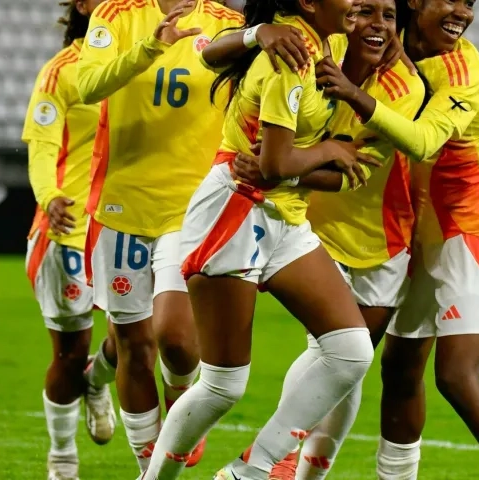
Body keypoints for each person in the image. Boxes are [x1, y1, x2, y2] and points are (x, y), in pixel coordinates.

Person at [138, 1, 380, 479]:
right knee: (223, 385)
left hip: (282, 214)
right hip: (235, 209)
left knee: (351, 349)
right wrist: (330, 149)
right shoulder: (290, 55)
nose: (356, 2)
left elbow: (212, 57)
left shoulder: (321, 39)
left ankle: (249, 471)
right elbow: (274, 165)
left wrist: (254, 34)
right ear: (309, 3)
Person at [314, 0, 479, 478]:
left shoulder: (462, 65)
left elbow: (425, 142)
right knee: (394, 366)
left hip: (469, 230)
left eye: (470, 4)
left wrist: (355, 94)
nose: (462, 13)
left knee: (455, 375)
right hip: (411, 230)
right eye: (451, 0)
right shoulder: (374, 43)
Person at [224, 0, 425, 477]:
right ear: (348, 17)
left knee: (350, 364)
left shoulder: (405, 86)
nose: (377, 26)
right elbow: (298, 152)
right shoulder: (317, 51)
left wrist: (286, 171)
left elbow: (353, 170)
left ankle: (309, 471)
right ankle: (274, 463)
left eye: (389, 17)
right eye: (367, 12)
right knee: (331, 349)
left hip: (382, 237)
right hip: (314, 229)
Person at [75, 0, 244, 473]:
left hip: (193, 208)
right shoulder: (117, 13)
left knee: (177, 340)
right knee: (134, 346)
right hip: (123, 203)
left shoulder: (230, 23)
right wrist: (152, 46)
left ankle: (181, 394)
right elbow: (88, 86)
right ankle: (149, 467)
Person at [22, 1, 118, 478]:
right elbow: (41, 145)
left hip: (133, 220)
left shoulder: (151, 55)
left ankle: (97, 381)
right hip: (71, 230)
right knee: (70, 351)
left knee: (145, 337)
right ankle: (62, 456)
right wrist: (50, 195)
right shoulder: (63, 71)